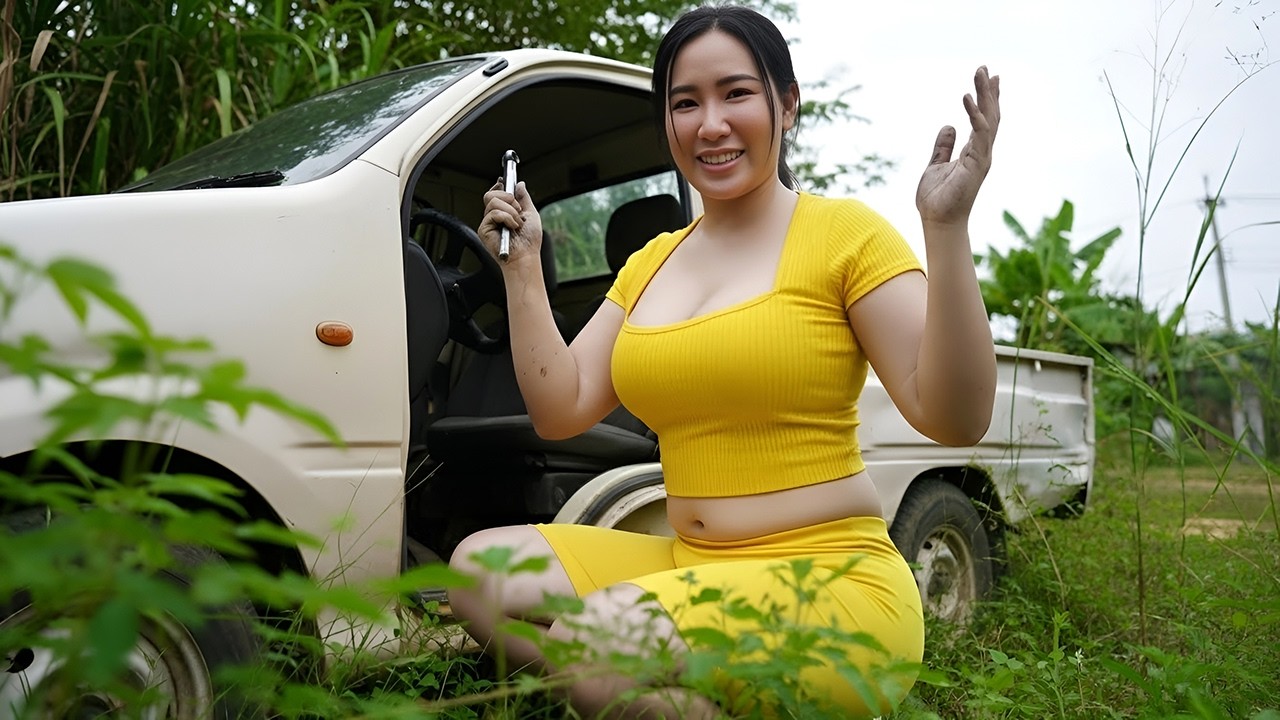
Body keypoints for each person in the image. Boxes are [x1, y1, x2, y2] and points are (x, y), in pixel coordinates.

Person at [448, 4, 999, 718]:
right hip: (692, 564)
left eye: (735, 93)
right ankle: (667, 697)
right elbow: (561, 407)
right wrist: (522, 271)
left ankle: (619, 676)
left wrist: (945, 230)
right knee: (478, 573)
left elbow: (955, 415)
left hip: (833, 581)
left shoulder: (844, 235)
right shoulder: (651, 264)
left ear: (787, 104)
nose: (710, 123)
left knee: (604, 639)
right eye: (685, 103)